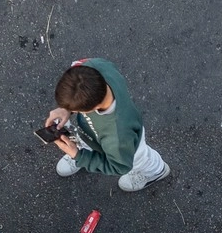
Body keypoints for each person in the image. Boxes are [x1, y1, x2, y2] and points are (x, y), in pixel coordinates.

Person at [45, 58, 171, 192]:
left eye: (76, 110)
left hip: (129, 145)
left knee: (140, 160)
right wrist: (66, 108)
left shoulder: (118, 137)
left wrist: (79, 156)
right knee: (88, 140)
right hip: (94, 133)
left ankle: (155, 171)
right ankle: (86, 153)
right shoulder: (93, 68)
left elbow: (119, 166)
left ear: (94, 107)